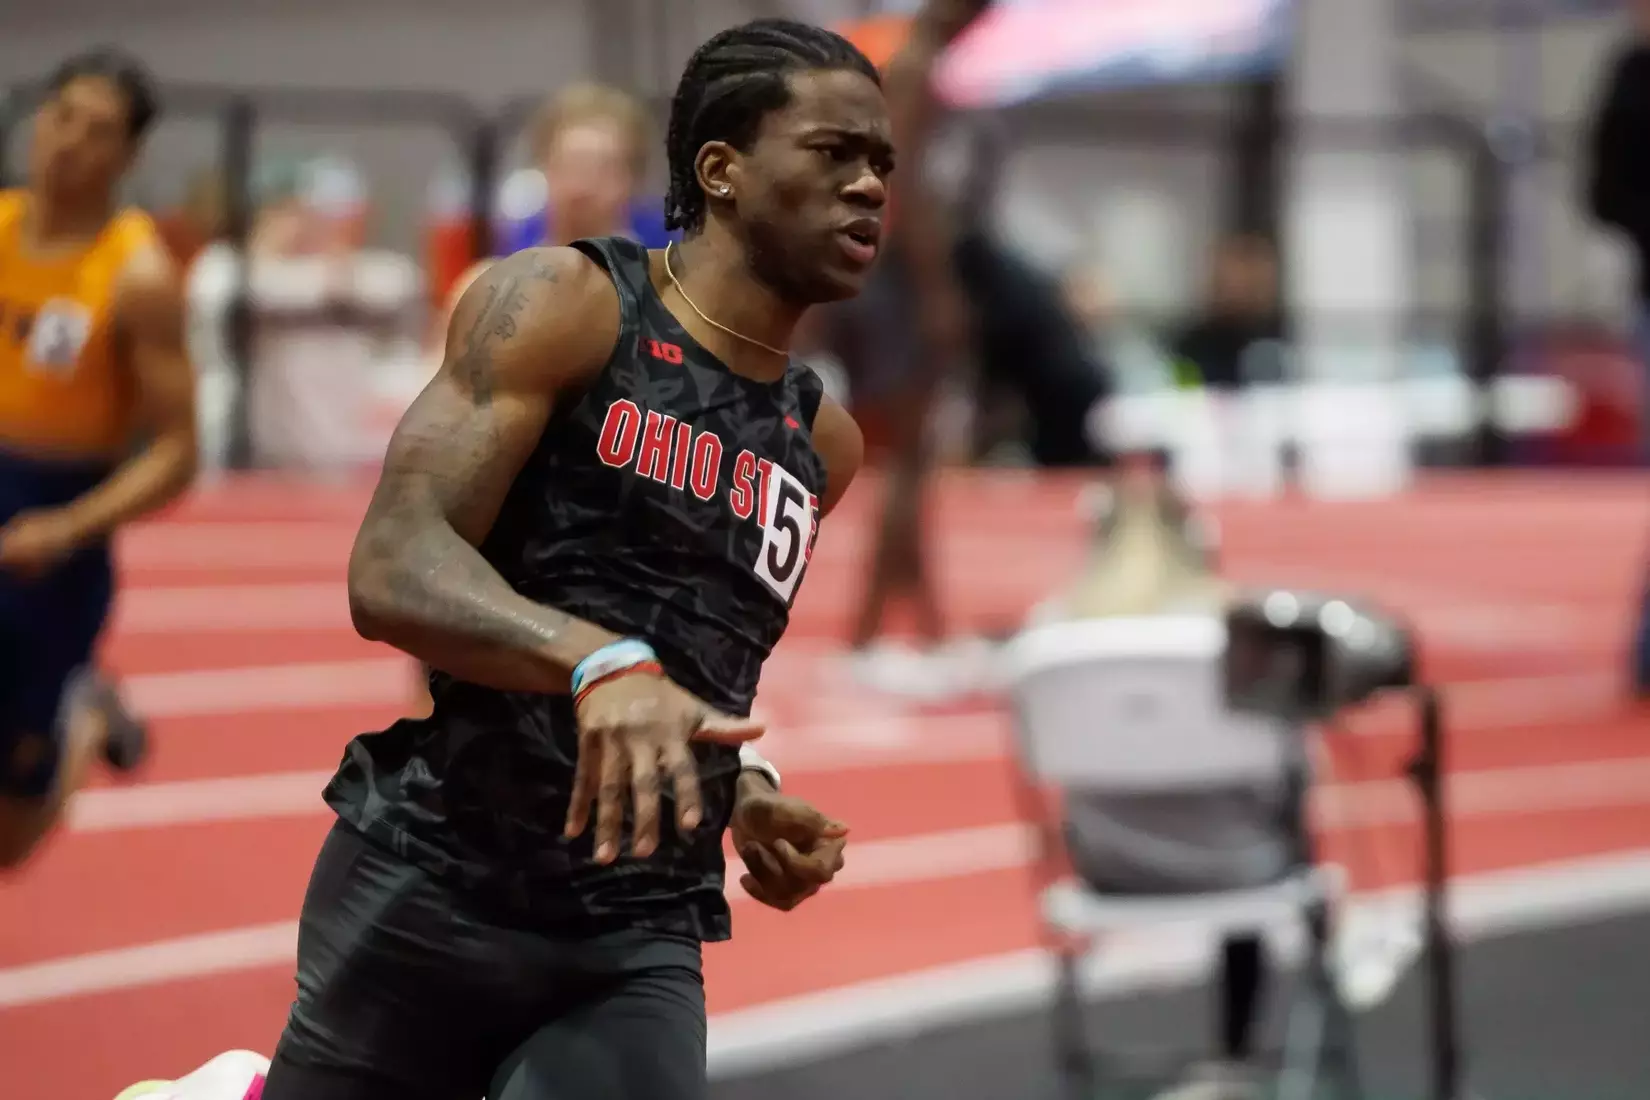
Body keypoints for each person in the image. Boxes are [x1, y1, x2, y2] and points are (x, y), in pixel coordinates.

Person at [262, 18, 885, 1100]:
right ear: (722, 170)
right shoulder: (569, 305)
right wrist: (600, 660)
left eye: (881, 162)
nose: (869, 185)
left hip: (634, 935)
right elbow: (392, 563)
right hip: (437, 881)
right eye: (834, 153)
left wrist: (743, 788)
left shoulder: (822, 443)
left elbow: (697, 658)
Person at [0, 49, 197, 869]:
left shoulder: (138, 275)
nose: (70, 142)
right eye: (62, 117)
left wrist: (69, 526)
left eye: (99, 131)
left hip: (54, 535)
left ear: (129, 155)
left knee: (9, 840)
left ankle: (81, 717)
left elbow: (179, 452)